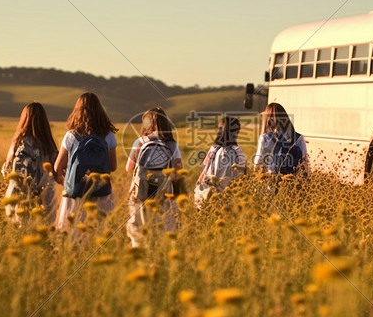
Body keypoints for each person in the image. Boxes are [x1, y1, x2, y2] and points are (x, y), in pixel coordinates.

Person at [53, 92, 118, 233]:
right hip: (101, 194)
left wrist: (70, 178)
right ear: (100, 111)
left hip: (75, 194)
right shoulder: (109, 135)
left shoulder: (70, 135)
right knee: (99, 234)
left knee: (72, 236)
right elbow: (112, 167)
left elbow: (57, 167)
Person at [125, 106, 182, 246]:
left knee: (139, 231)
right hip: (164, 193)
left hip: (141, 191)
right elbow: (178, 168)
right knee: (163, 230)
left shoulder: (140, 141)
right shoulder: (172, 144)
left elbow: (129, 168)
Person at [2, 101, 59, 224]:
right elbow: (57, 174)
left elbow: (7, 172)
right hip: (45, 202)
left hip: (19, 203)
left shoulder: (18, 144)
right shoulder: (49, 148)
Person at [193, 115, 247, 208]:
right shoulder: (235, 151)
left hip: (208, 196)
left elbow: (208, 172)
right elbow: (238, 176)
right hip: (224, 199)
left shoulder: (214, 149)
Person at [253, 102, 307, 174]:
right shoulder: (299, 138)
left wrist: (256, 175)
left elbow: (258, 162)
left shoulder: (265, 138)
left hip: (272, 180)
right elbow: (305, 161)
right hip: (293, 180)